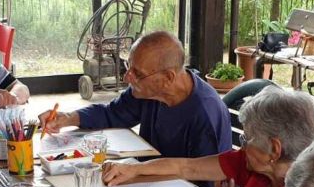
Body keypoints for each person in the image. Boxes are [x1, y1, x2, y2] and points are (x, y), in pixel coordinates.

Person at [102, 85, 314, 187]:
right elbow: (186, 167)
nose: (242, 147)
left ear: (274, 149)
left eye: (248, 138)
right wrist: (133, 169)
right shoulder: (250, 163)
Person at [38, 31, 232, 161]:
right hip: (144, 182)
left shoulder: (205, 113)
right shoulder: (147, 91)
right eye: (128, 66)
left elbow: (204, 179)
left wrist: (139, 173)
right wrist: (67, 118)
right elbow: (111, 114)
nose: (127, 77)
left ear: (168, 77)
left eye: (137, 73)